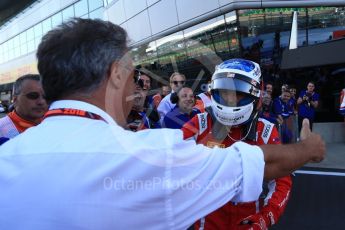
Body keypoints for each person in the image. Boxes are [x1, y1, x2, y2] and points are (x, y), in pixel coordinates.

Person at [0, 18, 325, 230]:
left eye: (236, 94)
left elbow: (279, 184)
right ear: (115, 74)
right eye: (132, 73)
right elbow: (261, 164)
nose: (137, 84)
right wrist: (309, 148)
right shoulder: (154, 151)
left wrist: (263, 217)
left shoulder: (6, 157)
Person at [182, 58, 292, 230]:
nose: (230, 99)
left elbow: (282, 180)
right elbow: (170, 162)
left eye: (237, 94)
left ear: (255, 95)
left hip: (248, 222)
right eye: (224, 92)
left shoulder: (266, 131)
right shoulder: (200, 123)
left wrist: (265, 217)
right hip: (207, 223)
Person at [0, 74, 48, 144]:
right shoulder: (2, 128)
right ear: (15, 100)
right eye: (33, 96)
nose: (41, 102)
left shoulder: (55, 125)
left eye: (45, 96)